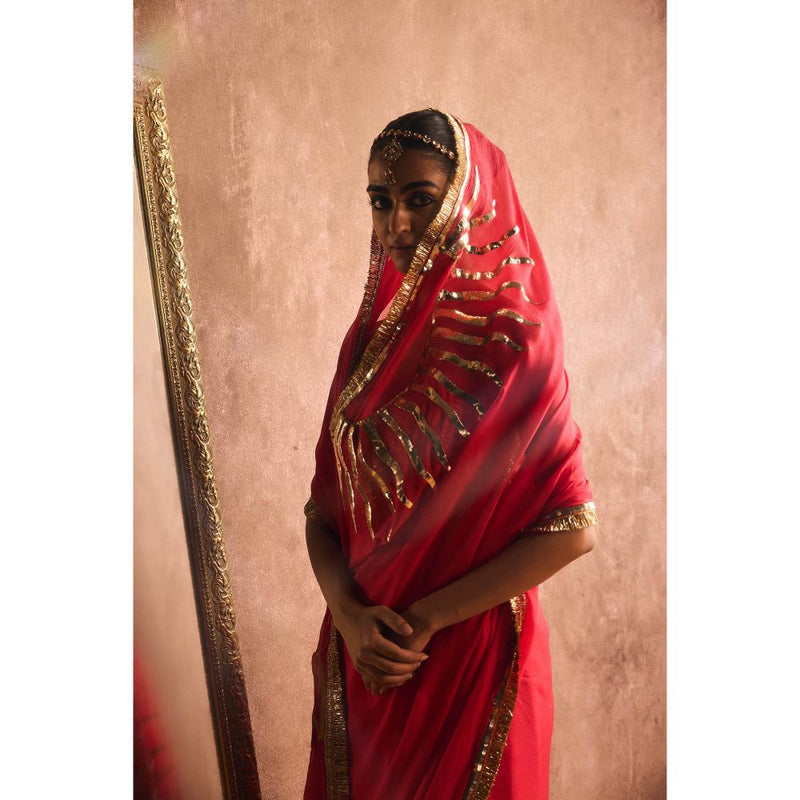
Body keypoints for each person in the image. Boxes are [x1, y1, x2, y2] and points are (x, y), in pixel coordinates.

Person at [303, 109, 599, 800]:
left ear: (468, 197)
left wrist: (426, 620)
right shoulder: (366, 349)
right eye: (381, 201)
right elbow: (322, 512)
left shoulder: (516, 347)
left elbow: (575, 527)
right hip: (366, 661)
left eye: (418, 199)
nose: (396, 223)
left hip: (469, 660)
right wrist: (348, 615)